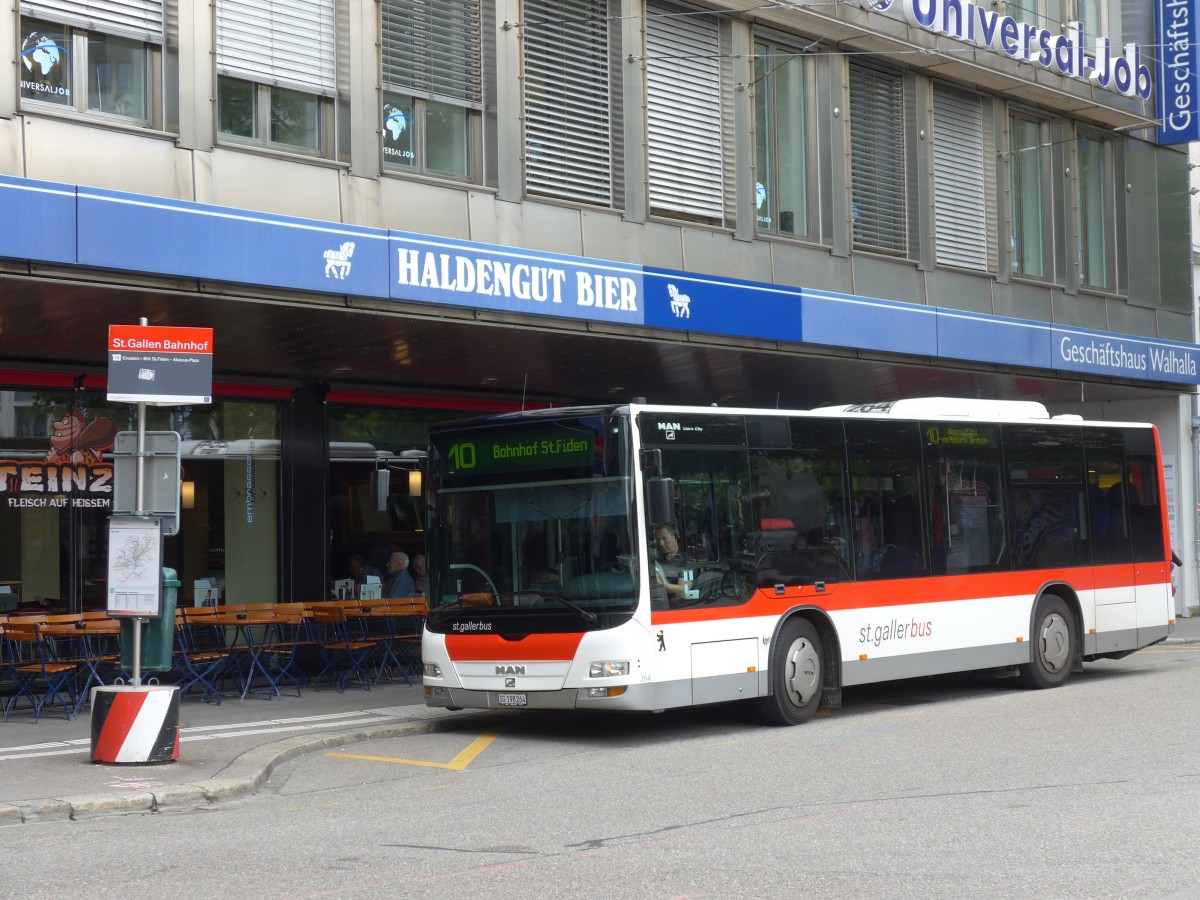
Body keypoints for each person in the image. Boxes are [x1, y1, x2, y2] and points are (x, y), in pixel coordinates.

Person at [653, 524, 692, 600]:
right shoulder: (656, 559)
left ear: (675, 537)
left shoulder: (686, 560)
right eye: (658, 540)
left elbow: (683, 589)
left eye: (664, 539)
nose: (661, 543)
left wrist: (660, 585)